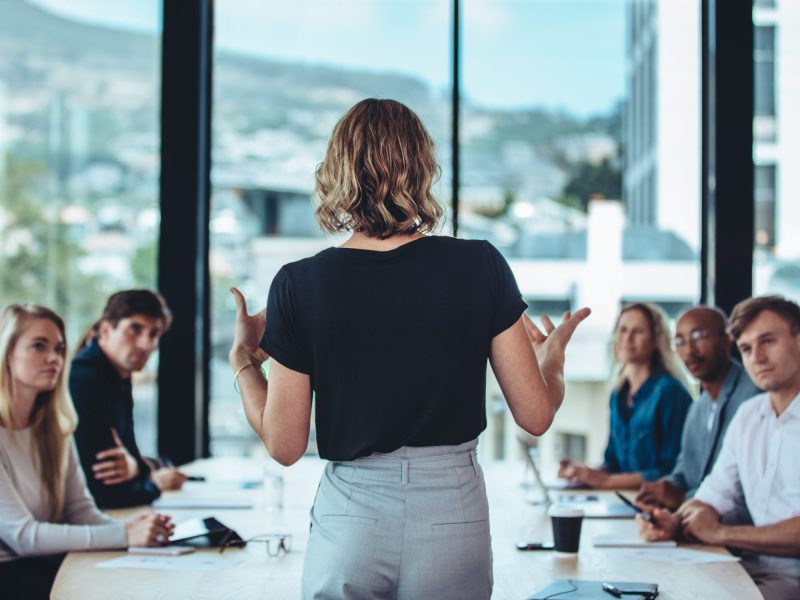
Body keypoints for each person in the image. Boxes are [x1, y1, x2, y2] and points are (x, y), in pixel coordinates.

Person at [229, 98, 590, 600]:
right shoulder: (479, 265)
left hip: (351, 517)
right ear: (421, 168)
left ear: (336, 171)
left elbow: (285, 444)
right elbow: (535, 415)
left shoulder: (299, 283)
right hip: (452, 510)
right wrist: (551, 360)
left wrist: (245, 362)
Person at [0, 304, 173, 600]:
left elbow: (81, 511)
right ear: (6, 350)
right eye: (39, 346)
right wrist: (124, 535)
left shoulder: (54, 430)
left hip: (48, 564)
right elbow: (24, 537)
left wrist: (135, 529)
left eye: (59, 348)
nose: (54, 358)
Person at [637, 295, 800, 600]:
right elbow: (713, 495)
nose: (757, 358)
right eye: (747, 348)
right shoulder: (749, 415)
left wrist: (721, 533)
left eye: (768, 342)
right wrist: (675, 522)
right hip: (745, 569)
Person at [71, 290, 186, 509]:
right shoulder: (85, 379)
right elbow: (105, 491)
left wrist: (138, 467)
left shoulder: (118, 377)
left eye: (154, 334)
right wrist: (154, 482)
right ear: (106, 329)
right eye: (135, 329)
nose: (146, 344)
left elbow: (130, 456)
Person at [636, 307, 760, 510]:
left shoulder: (754, 396)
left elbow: (741, 488)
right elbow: (683, 471)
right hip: (693, 521)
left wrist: (683, 498)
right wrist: (666, 487)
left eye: (699, 336)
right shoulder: (697, 408)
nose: (689, 350)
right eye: (680, 341)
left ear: (727, 339)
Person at [559, 303, 692, 489]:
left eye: (638, 331)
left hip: (656, 505)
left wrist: (605, 481)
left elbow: (671, 471)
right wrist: (584, 473)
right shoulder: (618, 394)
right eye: (622, 330)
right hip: (621, 499)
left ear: (655, 340)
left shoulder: (671, 392)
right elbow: (611, 463)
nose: (627, 338)